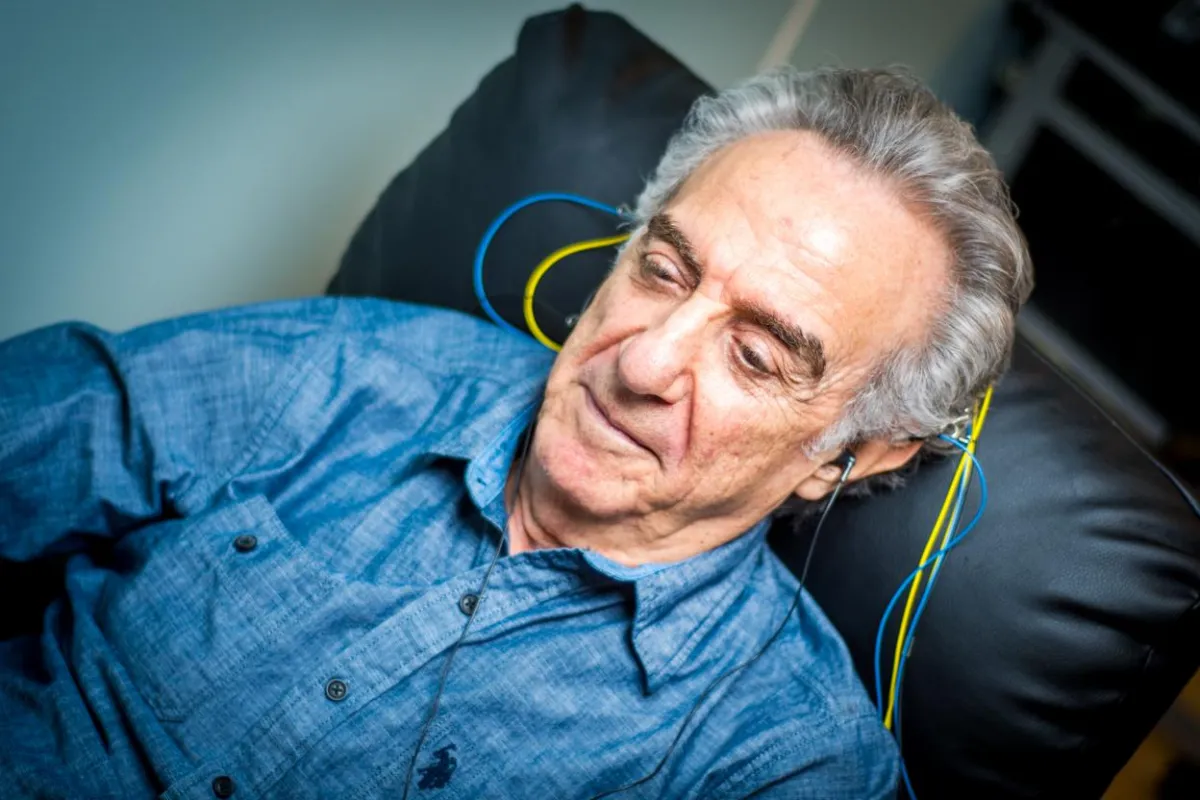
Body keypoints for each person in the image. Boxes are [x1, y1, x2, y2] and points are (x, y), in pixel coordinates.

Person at [0, 66, 1031, 799]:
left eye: (756, 355)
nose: (640, 360)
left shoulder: (781, 758)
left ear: (861, 449)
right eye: (663, 268)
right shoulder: (360, 372)